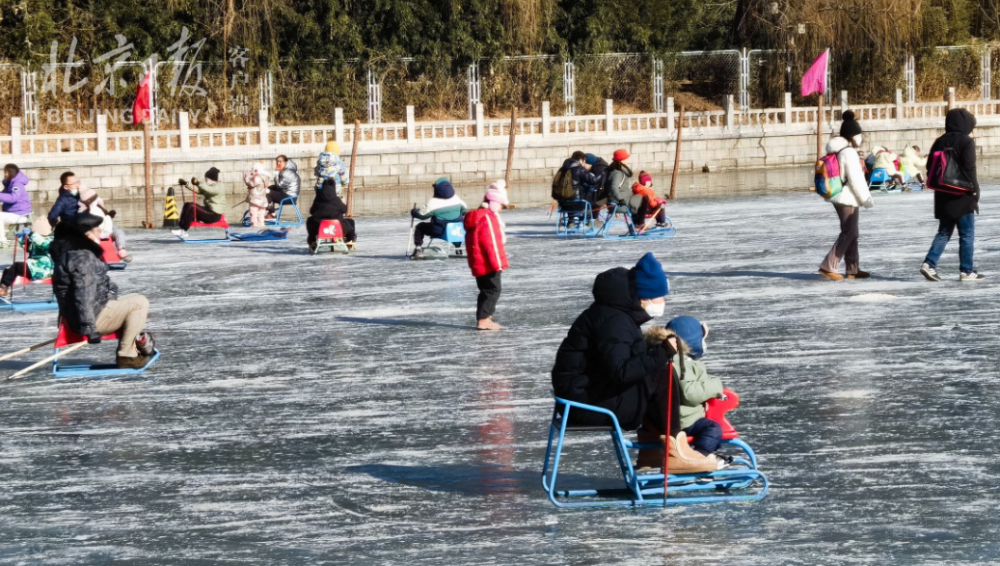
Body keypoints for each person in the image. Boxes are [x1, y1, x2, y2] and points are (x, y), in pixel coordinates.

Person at [550, 252, 718, 473]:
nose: (663, 302)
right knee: (662, 373)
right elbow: (620, 371)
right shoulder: (615, 322)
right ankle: (674, 450)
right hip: (584, 403)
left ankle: (654, 449)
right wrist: (660, 353)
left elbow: (619, 362)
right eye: (661, 297)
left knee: (656, 372)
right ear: (644, 298)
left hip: (587, 393)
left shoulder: (615, 315)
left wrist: (653, 354)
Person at [50, 213, 155, 369]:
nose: (101, 234)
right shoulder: (82, 257)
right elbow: (83, 293)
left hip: (85, 312)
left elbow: (99, 285)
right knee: (139, 303)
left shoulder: (74, 254)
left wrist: (112, 297)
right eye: (97, 230)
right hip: (89, 317)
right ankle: (127, 355)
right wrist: (89, 327)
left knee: (133, 299)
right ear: (86, 234)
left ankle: (137, 342)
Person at [921, 108, 984, 282]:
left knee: (944, 232)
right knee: (967, 234)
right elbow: (969, 167)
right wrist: (974, 190)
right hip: (962, 194)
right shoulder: (966, 141)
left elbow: (929, 166)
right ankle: (966, 270)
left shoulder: (939, 141)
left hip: (943, 194)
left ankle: (929, 264)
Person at [658, 316, 727, 465]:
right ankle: (700, 458)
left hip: (668, 418)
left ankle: (709, 453)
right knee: (713, 428)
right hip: (683, 420)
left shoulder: (668, 358)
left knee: (709, 428)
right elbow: (690, 393)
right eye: (702, 339)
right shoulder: (681, 362)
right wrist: (715, 385)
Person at [819, 110, 873, 281]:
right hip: (847, 197)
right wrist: (867, 200)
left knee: (852, 232)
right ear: (852, 135)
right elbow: (856, 180)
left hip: (837, 194)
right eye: (858, 135)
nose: (860, 138)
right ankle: (828, 265)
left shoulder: (836, 149)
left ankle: (852, 268)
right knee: (849, 232)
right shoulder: (849, 152)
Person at [464, 181, 509, 331]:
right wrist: (498, 263)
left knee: (486, 290)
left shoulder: (479, 216)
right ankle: (483, 320)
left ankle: (486, 317)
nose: (502, 209)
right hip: (489, 263)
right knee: (493, 290)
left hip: (479, 262)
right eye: (502, 205)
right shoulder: (487, 218)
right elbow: (491, 243)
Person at [410, 177, 467, 259]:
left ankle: (418, 249)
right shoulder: (457, 199)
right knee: (457, 225)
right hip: (456, 231)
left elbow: (422, 215)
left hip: (439, 230)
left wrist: (414, 212)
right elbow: (465, 211)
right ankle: (458, 248)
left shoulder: (433, 202)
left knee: (420, 227)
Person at [0, 217, 53, 299]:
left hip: (42, 269)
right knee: (8, 271)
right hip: (33, 267)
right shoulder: (36, 239)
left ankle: (3, 288)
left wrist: (32, 234)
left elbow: (43, 244)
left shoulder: (50, 240)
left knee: (17, 266)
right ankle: (3, 288)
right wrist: (22, 237)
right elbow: (29, 248)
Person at [77, 188, 130, 262]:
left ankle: (121, 249)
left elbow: (106, 218)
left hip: (105, 232)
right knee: (115, 233)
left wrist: (108, 225)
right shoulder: (84, 213)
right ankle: (111, 252)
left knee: (117, 231)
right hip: (94, 236)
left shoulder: (99, 209)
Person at [173, 167, 226, 237]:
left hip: (214, 215)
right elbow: (198, 190)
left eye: (206, 178)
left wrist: (198, 183)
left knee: (191, 206)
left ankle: (183, 230)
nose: (205, 179)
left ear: (211, 179)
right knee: (187, 205)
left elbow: (210, 190)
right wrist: (186, 184)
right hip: (209, 211)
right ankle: (181, 228)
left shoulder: (219, 187)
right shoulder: (209, 186)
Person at [307, 178, 356, 252]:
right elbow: (344, 210)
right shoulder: (336, 200)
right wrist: (342, 202)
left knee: (309, 220)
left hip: (320, 229)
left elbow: (311, 212)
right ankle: (349, 239)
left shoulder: (318, 199)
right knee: (351, 221)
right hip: (338, 229)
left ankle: (312, 240)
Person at [554, 151, 601, 223]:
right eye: (584, 161)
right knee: (594, 200)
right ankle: (591, 220)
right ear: (581, 159)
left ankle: (571, 221)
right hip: (578, 204)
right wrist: (602, 174)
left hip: (563, 204)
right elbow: (593, 180)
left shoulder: (562, 170)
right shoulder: (579, 169)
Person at [1, 164, 32, 244]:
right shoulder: (10, 184)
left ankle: (2, 241)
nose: (4, 174)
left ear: (11, 172)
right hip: (15, 213)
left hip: (20, 214)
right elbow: (4, 195)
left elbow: (13, 198)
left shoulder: (17, 184)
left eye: (6, 172)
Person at [244, 161, 270, 228]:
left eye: (253, 169)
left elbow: (250, 184)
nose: (252, 170)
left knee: (253, 211)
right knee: (261, 212)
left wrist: (246, 177)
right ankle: (261, 223)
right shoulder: (265, 177)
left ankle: (254, 223)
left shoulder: (256, 177)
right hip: (262, 197)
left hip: (255, 198)